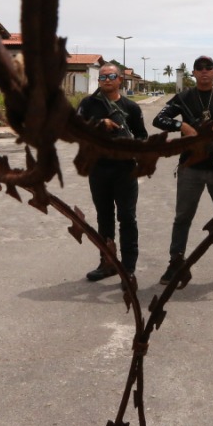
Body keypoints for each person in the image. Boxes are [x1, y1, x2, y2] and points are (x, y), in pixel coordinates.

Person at [152, 55, 213, 288]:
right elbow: (159, 119)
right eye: (199, 68)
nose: (204, 72)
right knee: (182, 219)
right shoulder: (184, 97)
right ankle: (175, 264)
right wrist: (182, 126)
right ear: (194, 73)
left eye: (208, 68)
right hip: (190, 168)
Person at [76, 63, 148, 282]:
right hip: (99, 168)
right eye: (103, 77)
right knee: (104, 217)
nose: (107, 80)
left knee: (127, 218)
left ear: (120, 80)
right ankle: (107, 262)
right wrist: (99, 124)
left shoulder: (131, 108)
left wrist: (134, 148)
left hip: (125, 169)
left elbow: (143, 136)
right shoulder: (88, 104)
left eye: (111, 76)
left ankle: (128, 268)